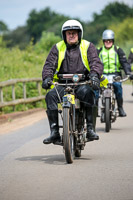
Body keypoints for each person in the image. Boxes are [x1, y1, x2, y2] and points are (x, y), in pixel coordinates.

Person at [42, 19, 103, 144]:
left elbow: (95, 62)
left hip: (83, 83)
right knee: (50, 96)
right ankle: (54, 132)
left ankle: (90, 129)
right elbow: (49, 65)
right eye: (68, 33)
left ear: (79, 34)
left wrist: (94, 76)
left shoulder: (88, 46)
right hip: (63, 84)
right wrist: (47, 78)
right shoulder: (58, 47)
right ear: (64, 35)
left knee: (89, 93)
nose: (71, 35)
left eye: (74, 33)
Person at [97, 29, 131, 117]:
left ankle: (120, 108)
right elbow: (94, 63)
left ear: (113, 41)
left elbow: (124, 62)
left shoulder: (118, 50)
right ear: (103, 41)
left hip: (115, 74)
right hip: (102, 75)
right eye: (106, 40)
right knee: (95, 89)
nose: (108, 42)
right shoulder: (99, 50)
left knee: (118, 87)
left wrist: (128, 72)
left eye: (110, 40)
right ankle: (95, 109)